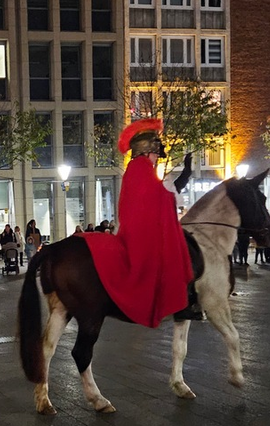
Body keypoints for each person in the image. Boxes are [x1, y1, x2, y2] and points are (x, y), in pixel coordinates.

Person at [77, 119, 197, 325]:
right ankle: (175, 303)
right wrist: (176, 189)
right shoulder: (142, 168)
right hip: (140, 233)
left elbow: (153, 196)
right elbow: (158, 197)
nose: (157, 158)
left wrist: (176, 185)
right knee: (172, 252)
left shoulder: (137, 168)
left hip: (136, 228)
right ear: (147, 151)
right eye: (156, 154)